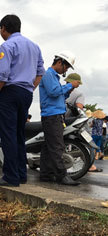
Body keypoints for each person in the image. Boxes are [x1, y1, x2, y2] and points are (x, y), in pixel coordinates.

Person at [0, 14, 45, 187]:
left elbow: (2, 74)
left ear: (4, 28)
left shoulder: (7, 45)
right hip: (25, 93)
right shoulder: (34, 46)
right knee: (18, 134)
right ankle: (21, 174)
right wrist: (30, 88)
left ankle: (10, 176)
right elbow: (40, 72)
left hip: (8, 92)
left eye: (0, 29)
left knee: (7, 134)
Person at [38, 51, 81, 186]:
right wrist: (69, 85)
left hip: (53, 115)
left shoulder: (53, 76)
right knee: (57, 146)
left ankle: (46, 174)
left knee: (48, 146)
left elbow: (58, 96)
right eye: (66, 67)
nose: (66, 70)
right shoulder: (49, 74)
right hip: (52, 116)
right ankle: (62, 176)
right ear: (59, 63)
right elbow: (53, 92)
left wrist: (67, 90)